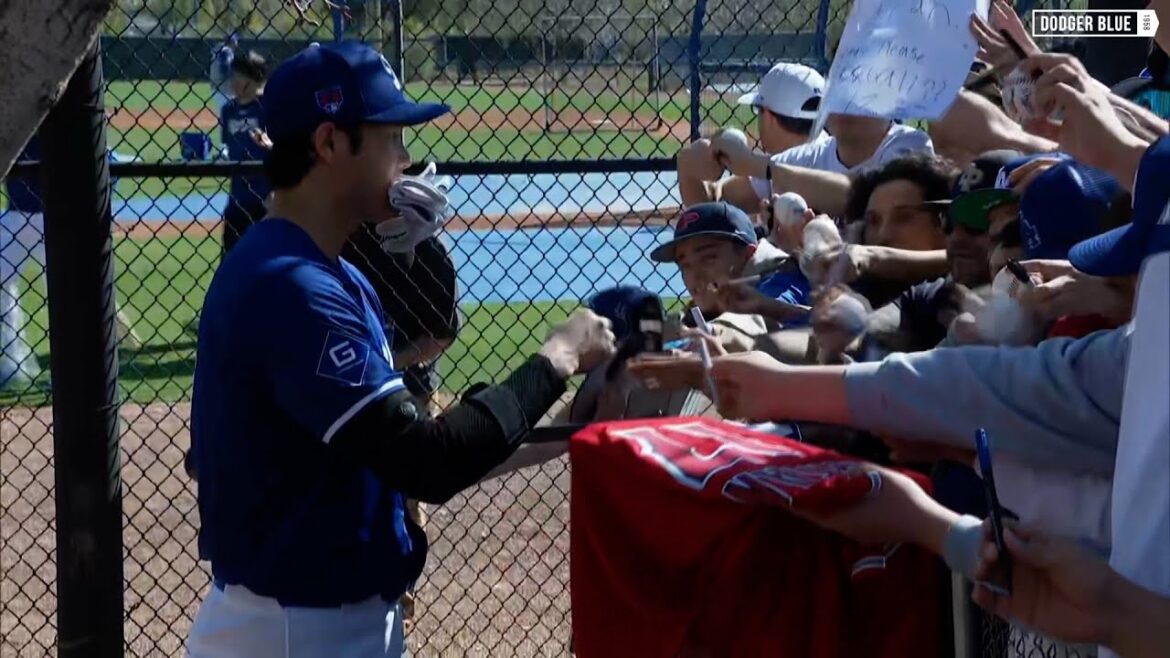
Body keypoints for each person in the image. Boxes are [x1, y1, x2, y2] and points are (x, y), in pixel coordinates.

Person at [185, 42, 615, 658]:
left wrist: (565, 430)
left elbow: (405, 438)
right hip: (293, 633)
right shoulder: (290, 285)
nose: (407, 157)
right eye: (391, 137)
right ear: (330, 144)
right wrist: (559, 357)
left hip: (328, 622)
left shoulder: (331, 273)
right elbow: (426, 461)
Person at [677, 63, 828, 211]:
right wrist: (690, 171)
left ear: (768, 116)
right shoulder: (826, 152)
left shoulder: (777, 167)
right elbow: (718, 199)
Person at [220, 50, 270, 254]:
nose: (231, 81)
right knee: (231, 254)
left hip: (265, 197)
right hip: (238, 197)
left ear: (250, 80)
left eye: (236, 77)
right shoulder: (228, 110)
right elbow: (227, 145)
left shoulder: (266, 107)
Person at [209, 34, 237, 112]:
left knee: (225, 113)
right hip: (225, 89)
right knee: (229, 113)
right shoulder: (226, 51)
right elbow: (224, 65)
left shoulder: (219, 50)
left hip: (217, 87)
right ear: (233, 42)